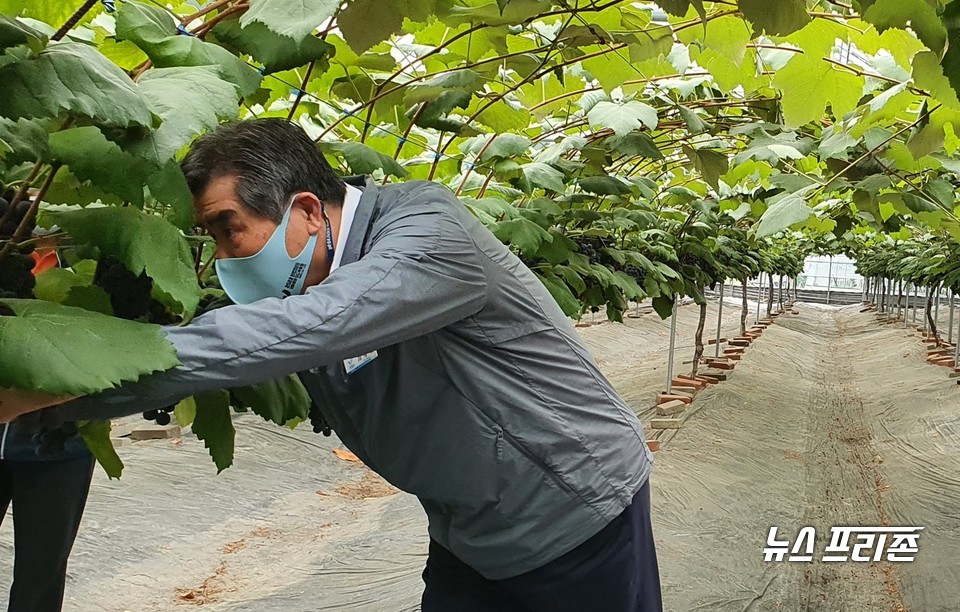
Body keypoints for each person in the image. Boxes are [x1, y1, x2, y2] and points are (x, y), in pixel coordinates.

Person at [8, 119, 662, 611]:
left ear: (309, 210)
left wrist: (57, 386)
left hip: (574, 512)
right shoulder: (312, 275)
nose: (222, 257)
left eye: (228, 228)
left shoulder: (429, 237)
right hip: (470, 523)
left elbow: (295, 332)